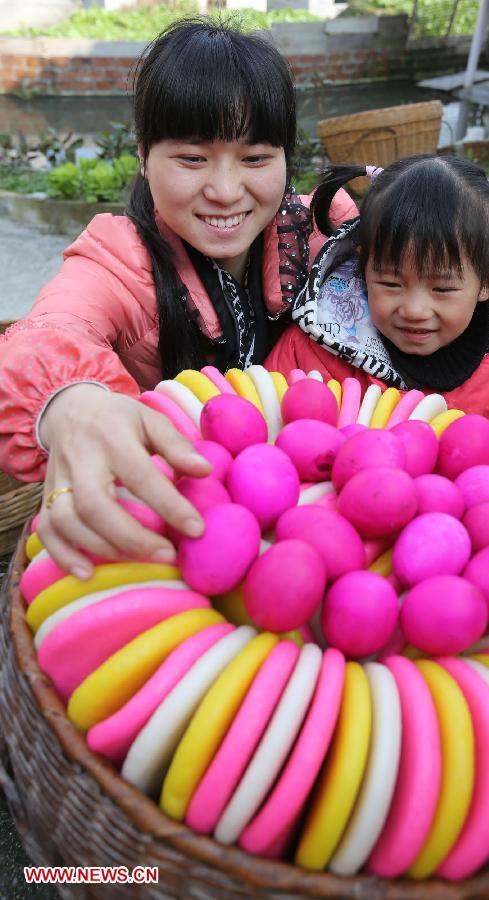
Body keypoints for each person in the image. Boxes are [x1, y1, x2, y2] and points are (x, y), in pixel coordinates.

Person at [0, 19, 357, 579]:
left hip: (321, 499)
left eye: (256, 158)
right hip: (183, 512)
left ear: (287, 157)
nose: (225, 189)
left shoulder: (326, 231)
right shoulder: (119, 258)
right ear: (144, 156)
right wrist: (71, 403)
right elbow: (47, 333)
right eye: (192, 158)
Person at [265, 155, 489, 483]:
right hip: (364, 492)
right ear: (363, 266)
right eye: (390, 283)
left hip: (486, 489)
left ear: (487, 280)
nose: (415, 310)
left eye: (443, 289)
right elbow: (275, 421)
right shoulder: (320, 345)